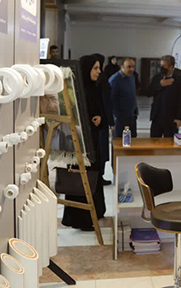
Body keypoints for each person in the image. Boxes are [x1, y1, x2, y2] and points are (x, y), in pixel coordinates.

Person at [61, 55, 106, 231]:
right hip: (79, 143)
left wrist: (100, 118)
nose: (99, 71)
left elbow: (101, 110)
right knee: (81, 179)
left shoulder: (95, 88)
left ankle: (96, 212)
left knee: (94, 176)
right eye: (95, 68)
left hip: (93, 141)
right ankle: (81, 219)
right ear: (87, 69)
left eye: (99, 68)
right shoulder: (76, 91)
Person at [147, 55, 181, 137]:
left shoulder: (178, 79)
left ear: (171, 67)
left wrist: (179, 118)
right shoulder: (157, 77)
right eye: (161, 65)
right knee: (154, 140)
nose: (161, 68)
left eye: (164, 66)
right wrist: (160, 85)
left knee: (170, 141)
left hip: (171, 118)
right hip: (157, 116)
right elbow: (148, 92)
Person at [92, 53, 115, 186]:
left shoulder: (98, 79)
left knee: (100, 150)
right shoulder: (102, 80)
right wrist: (111, 121)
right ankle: (98, 177)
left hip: (101, 120)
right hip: (102, 121)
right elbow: (107, 102)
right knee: (100, 150)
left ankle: (98, 176)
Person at [109, 58, 139, 138]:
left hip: (131, 116)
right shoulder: (114, 80)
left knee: (132, 140)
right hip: (119, 119)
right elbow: (110, 101)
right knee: (119, 141)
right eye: (129, 67)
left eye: (133, 67)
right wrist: (112, 121)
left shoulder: (131, 77)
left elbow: (132, 95)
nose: (132, 69)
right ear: (122, 67)